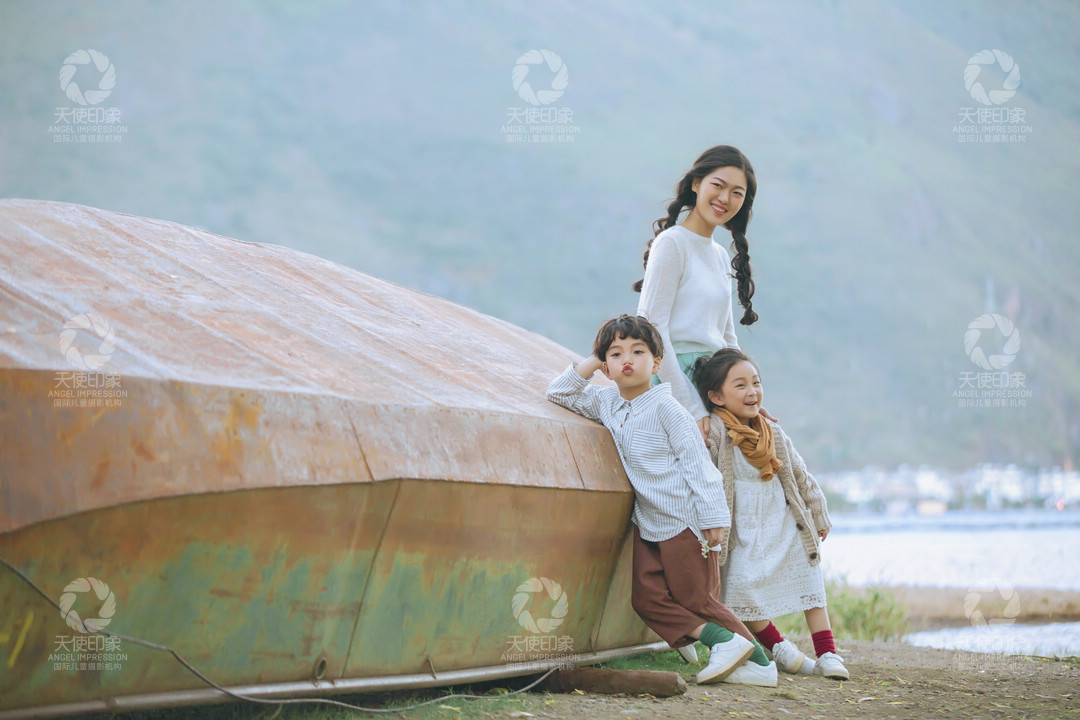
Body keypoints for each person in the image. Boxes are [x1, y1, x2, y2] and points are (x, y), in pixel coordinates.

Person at [546, 315, 777, 687]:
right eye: (616, 353)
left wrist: (713, 518)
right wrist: (592, 360)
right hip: (648, 520)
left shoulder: (667, 409)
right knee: (647, 600)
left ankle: (761, 664)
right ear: (606, 366)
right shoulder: (607, 401)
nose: (627, 359)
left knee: (697, 599)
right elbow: (558, 393)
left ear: (655, 363)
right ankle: (725, 643)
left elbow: (698, 465)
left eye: (638, 351)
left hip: (686, 520)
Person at [692, 348, 849, 680]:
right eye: (740, 385)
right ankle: (780, 649)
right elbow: (703, 476)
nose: (752, 392)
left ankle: (828, 654)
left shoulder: (772, 431)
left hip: (781, 523)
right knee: (738, 589)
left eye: (756, 383)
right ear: (716, 396)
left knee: (810, 582)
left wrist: (818, 515)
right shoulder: (716, 433)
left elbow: (800, 475)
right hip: (743, 531)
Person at [634, 145, 763, 444]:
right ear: (696, 183)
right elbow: (651, 327)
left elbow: (728, 337)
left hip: (716, 382)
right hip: (674, 381)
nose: (724, 199)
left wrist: (746, 395)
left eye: (736, 193)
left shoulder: (718, 255)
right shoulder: (673, 244)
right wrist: (689, 405)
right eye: (718, 186)